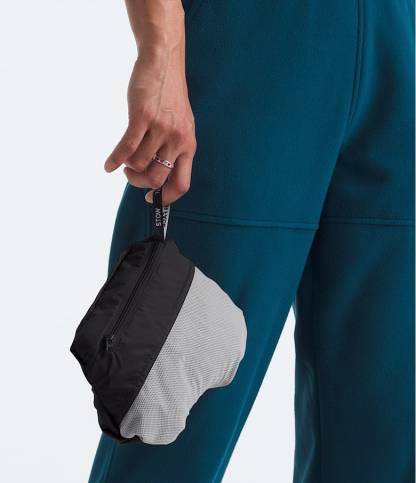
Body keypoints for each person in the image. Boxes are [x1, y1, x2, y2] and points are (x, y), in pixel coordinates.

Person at [88, 1, 415, 482]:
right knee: (166, 409)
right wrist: (161, 51)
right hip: (253, 48)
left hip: (403, 45)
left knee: (386, 433)